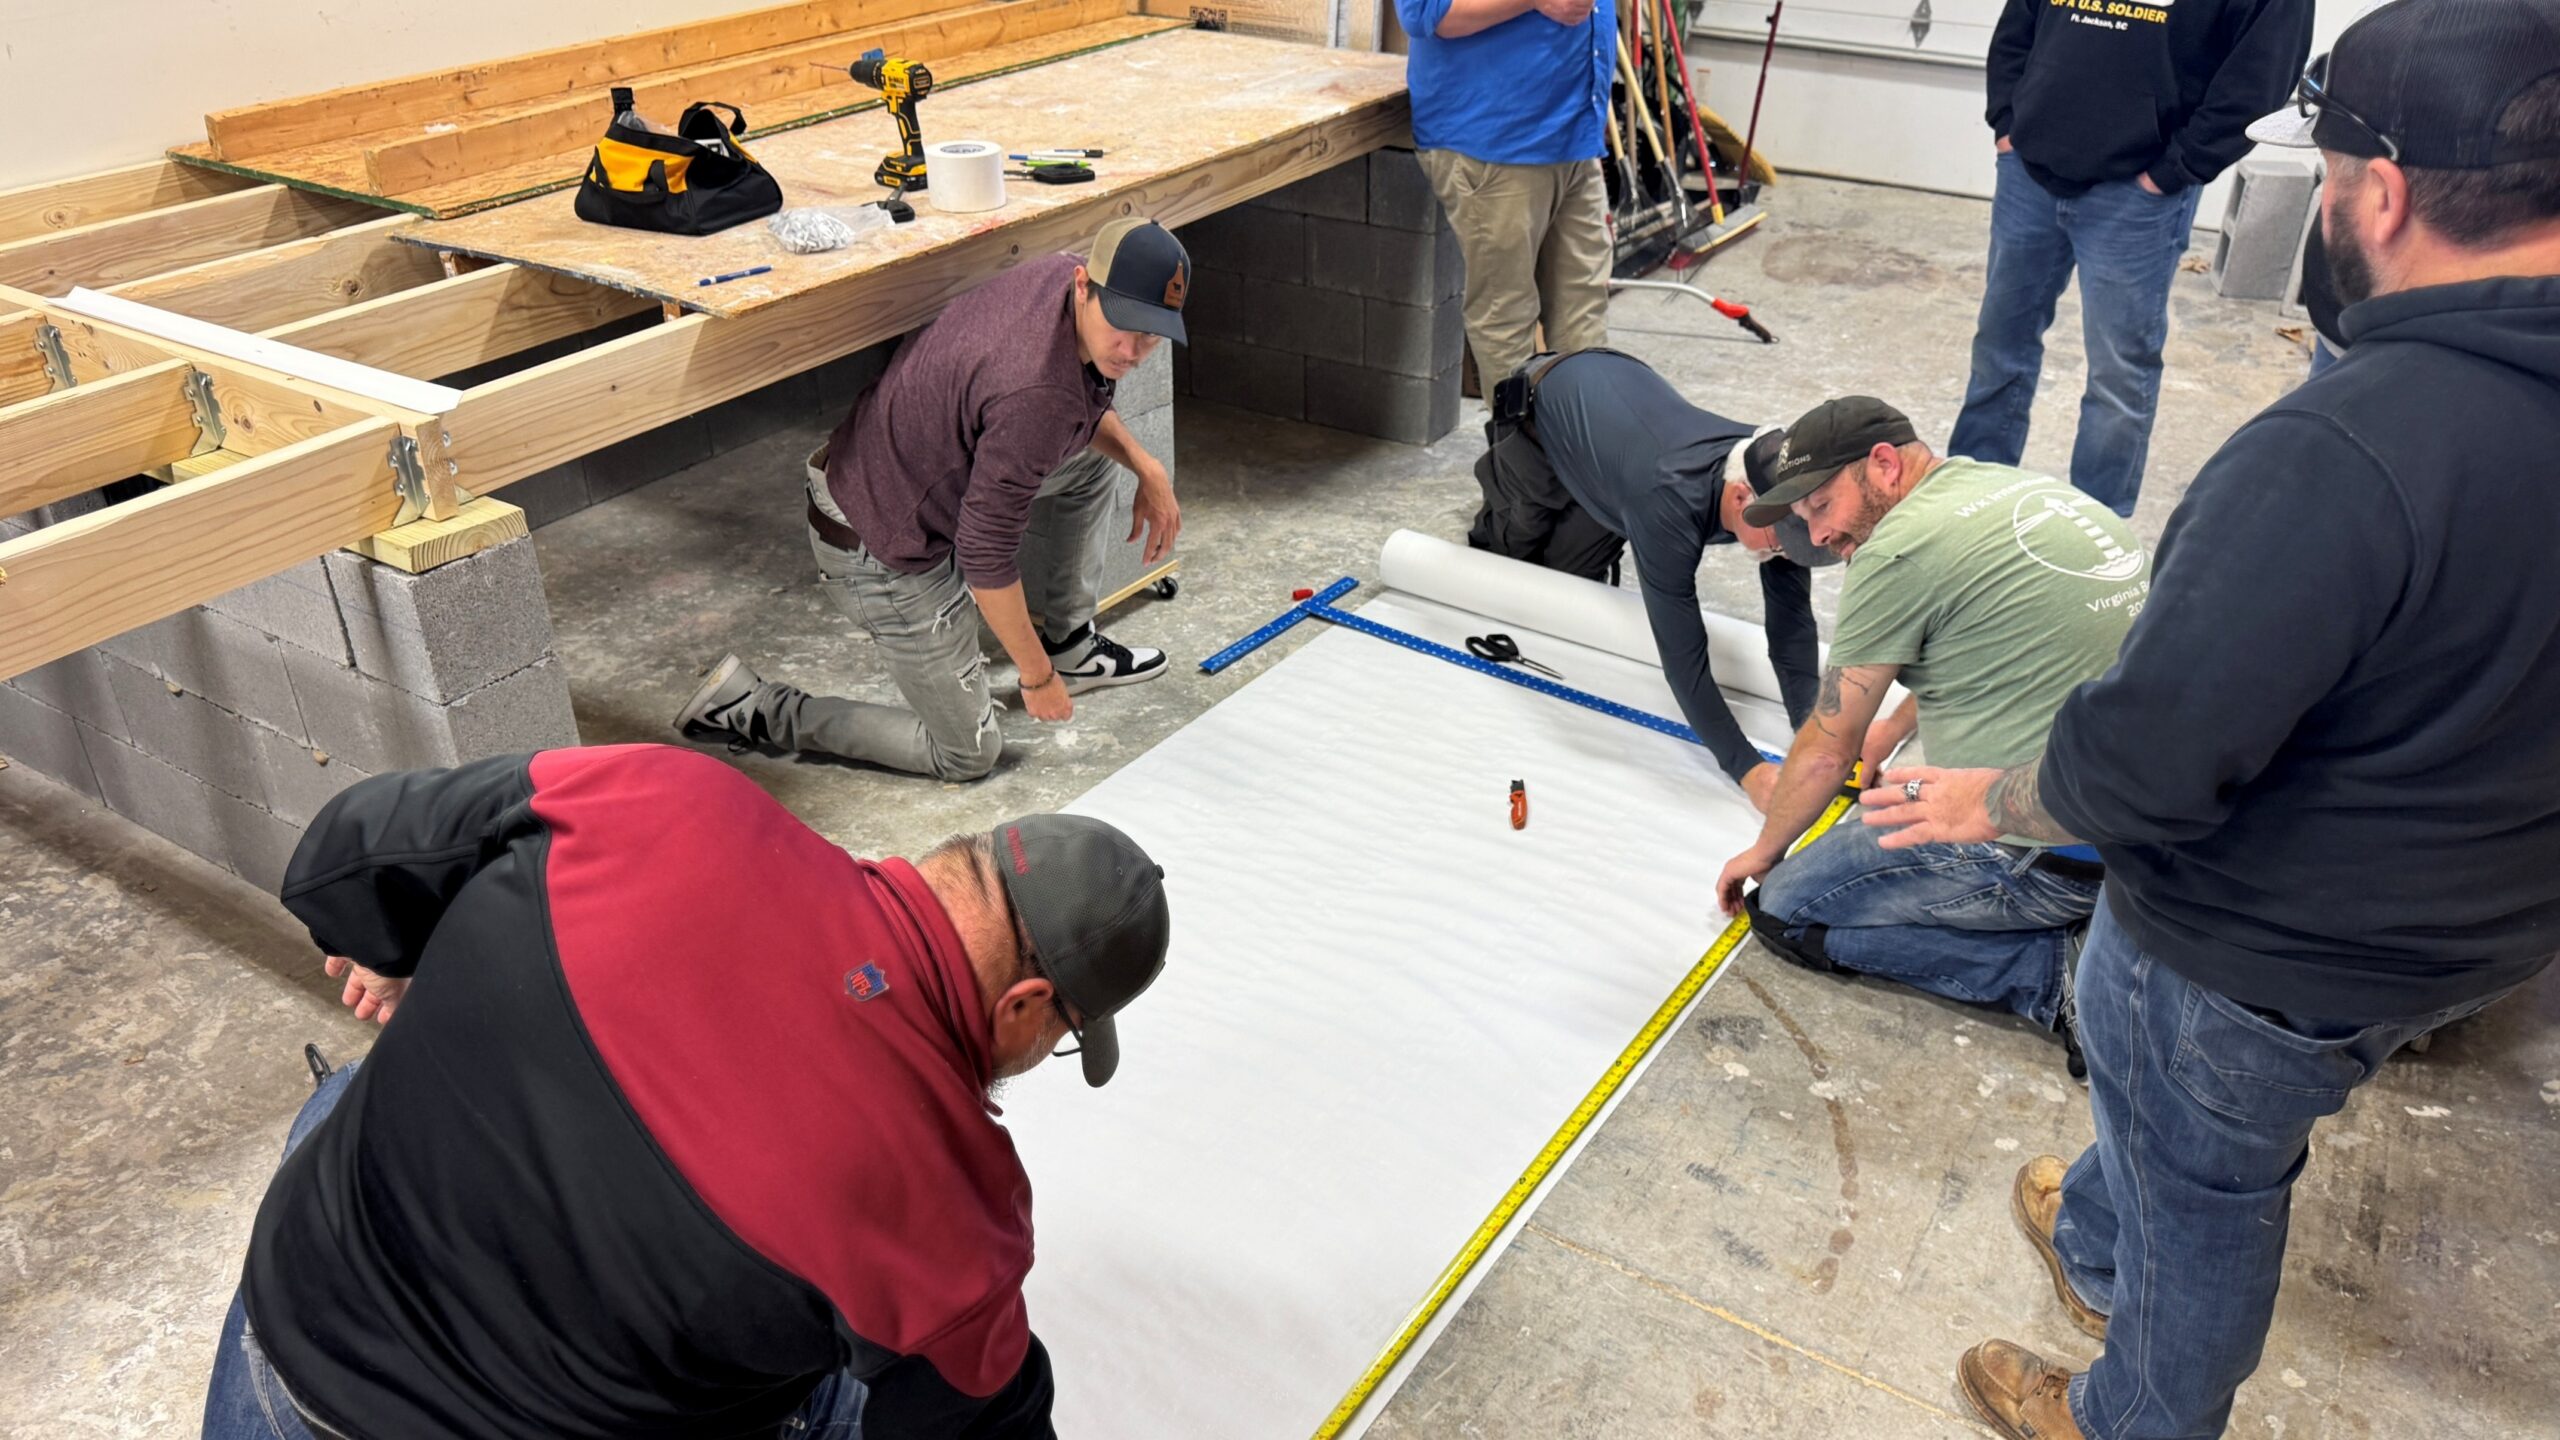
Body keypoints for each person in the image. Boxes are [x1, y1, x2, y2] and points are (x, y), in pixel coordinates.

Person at [1861, 2, 2560, 1432]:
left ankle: (2132, 1413)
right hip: (2481, 926)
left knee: (2207, 1177)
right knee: (2178, 1130)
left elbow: (2147, 764)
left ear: (2380, 193)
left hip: (2262, 953)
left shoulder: (2341, 450)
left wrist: (1989, 797)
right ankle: (2095, 1231)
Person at [200, 743, 1173, 1439]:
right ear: (1025, 1005)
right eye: (1058, 1038)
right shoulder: (954, 1223)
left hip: (284, 1352)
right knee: (848, 1381)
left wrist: (391, 946)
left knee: (363, 1091)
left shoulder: (663, 795)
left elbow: (341, 853)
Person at [1712, 397, 2148, 1073]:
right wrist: (1890, 726)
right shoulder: (2010, 490)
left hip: (2042, 850)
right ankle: (2113, 934)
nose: (1818, 536)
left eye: (1822, 505)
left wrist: (1765, 851)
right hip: (2153, 829)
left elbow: (1827, 746)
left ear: (1883, 465)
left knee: (1784, 911)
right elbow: (1990, 635)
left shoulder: (1896, 550)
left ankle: (2058, 980)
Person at [675, 218, 1191, 781]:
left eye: (1150, 335)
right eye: (1124, 326)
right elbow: (985, 554)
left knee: (1092, 462)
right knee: (967, 754)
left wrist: (1147, 466)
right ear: (1085, 286)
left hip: (898, 477)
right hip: (878, 547)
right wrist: (1036, 676)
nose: (1132, 350)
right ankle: (754, 708)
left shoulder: (1062, 285)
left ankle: (1069, 644)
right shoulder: (1035, 392)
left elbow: (1076, 411)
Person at [1952, 0, 2314, 516]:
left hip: (2137, 197)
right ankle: (1967, 504)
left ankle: (2094, 527)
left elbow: (2259, 77)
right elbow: (2019, 23)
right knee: (1999, 345)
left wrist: (2176, 170)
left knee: (2118, 377)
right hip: (2029, 172)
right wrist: (2007, 122)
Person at [1469, 348, 1838, 804]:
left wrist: (1813, 729)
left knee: (1568, 582)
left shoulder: (1778, 483)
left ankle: (1590, 487)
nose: (1783, 551)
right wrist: (1749, 769)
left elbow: (1792, 625)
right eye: (1780, 542)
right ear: (1741, 496)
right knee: (1515, 560)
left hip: (1623, 440)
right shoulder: (1669, 502)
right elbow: (1683, 657)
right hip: (1542, 406)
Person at [1392, 0, 1614, 391]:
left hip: (1575, 135)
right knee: (1507, 320)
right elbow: (1425, 12)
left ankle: (1579, 430)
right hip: (1497, 141)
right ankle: (1520, 434)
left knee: (1584, 317)